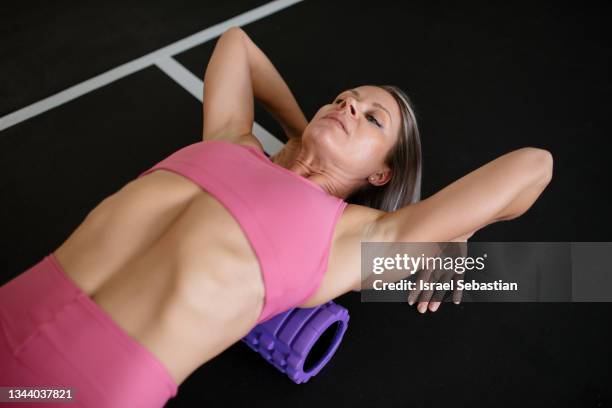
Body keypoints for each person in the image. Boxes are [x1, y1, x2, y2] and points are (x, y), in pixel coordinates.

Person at [0, 26, 553, 407]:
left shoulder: (357, 237)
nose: (348, 107)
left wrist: (459, 231)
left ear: (381, 174)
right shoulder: (228, 141)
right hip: (14, 307)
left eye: (372, 119)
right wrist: (297, 135)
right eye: (343, 99)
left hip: (77, 388)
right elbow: (236, 45)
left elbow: (535, 165)